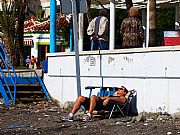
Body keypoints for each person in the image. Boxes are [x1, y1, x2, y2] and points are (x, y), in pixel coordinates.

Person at [62, 86, 128, 122]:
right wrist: (96, 98)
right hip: (99, 103)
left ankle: (89, 115)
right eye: (119, 88)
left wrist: (109, 99)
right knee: (80, 98)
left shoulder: (123, 98)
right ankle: (70, 116)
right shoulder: (111, 95)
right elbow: (101, 98)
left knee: (93, 96)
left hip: (105, 106)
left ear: (124, 93)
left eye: (121, 89)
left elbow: (121, 100)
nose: (119, 89)